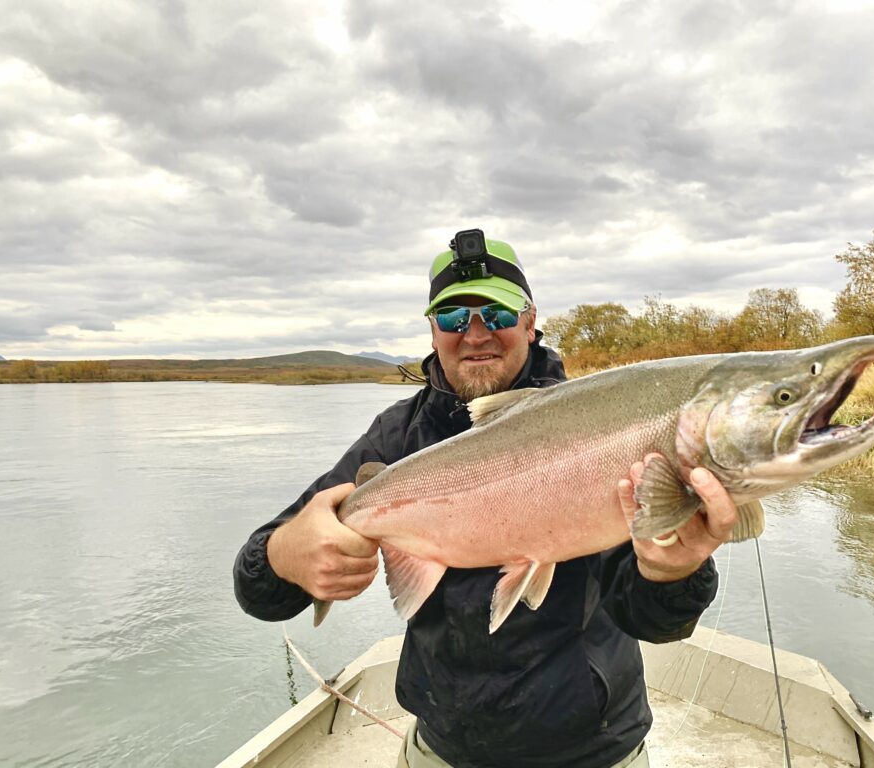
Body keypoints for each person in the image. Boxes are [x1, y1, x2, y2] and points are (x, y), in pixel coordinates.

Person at [233, 231, 738, 768]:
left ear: (529, 320)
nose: (475, 334)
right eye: (452, 318)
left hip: (595, 750)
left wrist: (675, 571)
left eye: (495, 314)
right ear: (432, 332)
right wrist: (289, 553)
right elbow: (259, 592)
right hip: (441, 748)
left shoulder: (605, 428)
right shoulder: (396, 437)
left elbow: (655, 623)